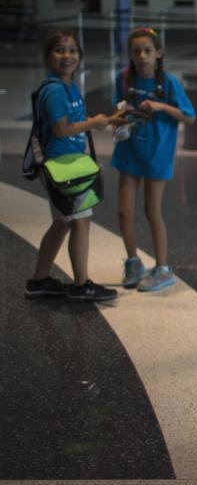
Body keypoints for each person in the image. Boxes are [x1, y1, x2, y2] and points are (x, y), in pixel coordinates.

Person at [25, 29, 126, 302]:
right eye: (59, 50)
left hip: (65, 163)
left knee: (61, 224)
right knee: (81, 222)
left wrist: (103, 120)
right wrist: (94, 124)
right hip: (61, 167)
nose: (67, 55)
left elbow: (72, 123)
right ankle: (82, 286)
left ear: (79, 56)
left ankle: (39, 281)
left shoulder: (68, 86)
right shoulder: (55, 90)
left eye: (72, 50)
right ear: (48, 57)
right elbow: (61, 129)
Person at [111, 27, 196, 292]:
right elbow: (119, 109)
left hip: (157, 152)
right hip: (129, 151)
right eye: (137, 51)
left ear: (158, 53)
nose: (142, 56)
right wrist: (119, 119)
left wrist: (161, 106)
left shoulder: (168, 83)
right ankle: (133, 262)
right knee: (124, 210)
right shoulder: (123, 78)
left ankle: (162, 268)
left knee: (151, 210)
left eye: (148, 50)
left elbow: (189, 115)